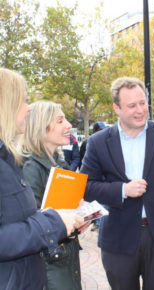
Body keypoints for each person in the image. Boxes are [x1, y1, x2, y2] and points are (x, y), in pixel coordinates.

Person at [80, 76, 154, 290]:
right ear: (116, 108)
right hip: (118, 239)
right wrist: (122, 190)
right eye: (131, 106)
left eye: (142, 103)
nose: (140, 110)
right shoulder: (98, 142)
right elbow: (86, 187)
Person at [0, 67, 85, 289]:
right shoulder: (24, 164)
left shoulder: (10, 160)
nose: (28, 108)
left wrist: (70, 218)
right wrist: (54, 223)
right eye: (24, 101)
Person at [22, 101, 83, 290]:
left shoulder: (59, 163)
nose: (69, 125)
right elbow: (31, 222)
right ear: (42, 126)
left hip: (65, 260)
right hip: (49, 264)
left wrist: (81, 217)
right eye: (60, 121)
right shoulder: (31, 167)